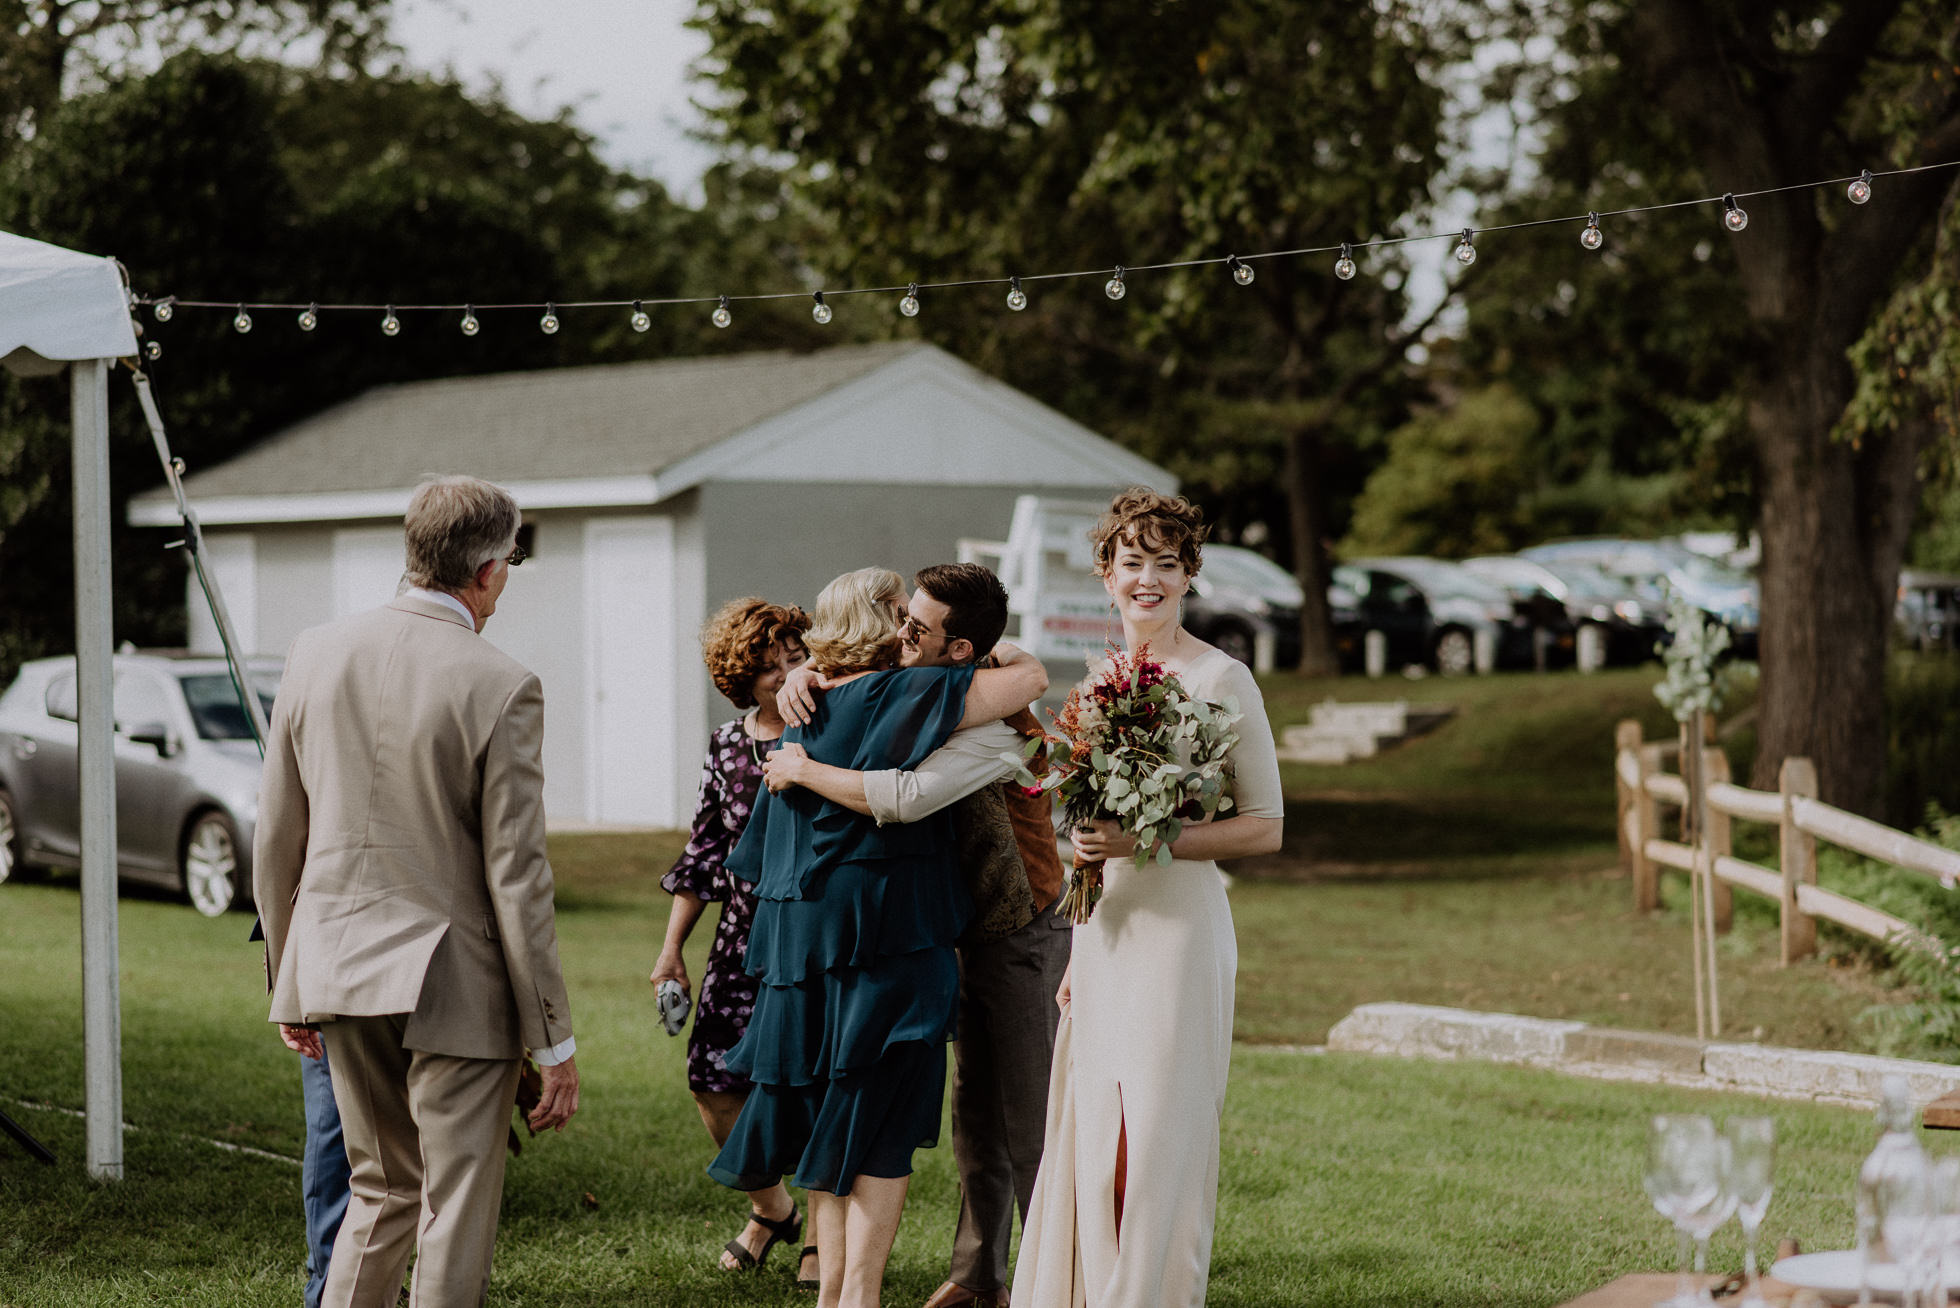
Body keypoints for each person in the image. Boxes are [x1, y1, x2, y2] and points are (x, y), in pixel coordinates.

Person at [253, 475, 580, 1308]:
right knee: (453, 1206)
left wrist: (287, 973)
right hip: (454, 983)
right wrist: (554, 1042)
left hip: (332, 963)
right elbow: (518, 875)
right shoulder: (503, 683)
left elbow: (275, 833)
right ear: (485, 572)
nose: (508, 576)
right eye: (510, 559)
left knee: (381, 1194)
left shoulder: (313, 651)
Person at [706, 566, 1048, 1308]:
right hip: (890, 939)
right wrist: (1003, 658)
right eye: (900, 614)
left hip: (803, 949)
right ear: (879, 625)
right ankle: (857, 1299)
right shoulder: (908, 693)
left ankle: (835, 1295)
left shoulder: (806, 705)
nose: (907, 627)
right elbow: (1027, 678)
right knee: (883, 1124)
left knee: (835, 1116)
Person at [1013, 488, 1284, 1308]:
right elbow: (1090, 832)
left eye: (1167, 565)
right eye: (1133, 563)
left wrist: (1146, 841)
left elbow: (1265, 826)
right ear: (1106, 575)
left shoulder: (1221, 677)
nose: (1149, 580)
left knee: (1157, 1138)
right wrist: (1078, 942)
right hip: (1107, 936)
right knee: (1098, 1144)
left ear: (1189, 576)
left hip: (1178, 937)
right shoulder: (1099, 684)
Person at [650, 597, 822, 1285]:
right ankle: (774, 1209)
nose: (785, 675)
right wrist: (671, 953)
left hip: (817, 937)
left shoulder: (834, 729)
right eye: (768, 667)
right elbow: (705, 850)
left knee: (814, 1085)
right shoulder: (728, 745)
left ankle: (823, 1232)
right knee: (712, 1080)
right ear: (739, 678)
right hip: (742, 940)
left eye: (795, 658)